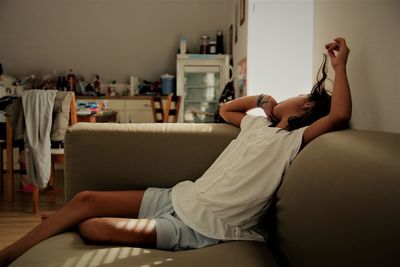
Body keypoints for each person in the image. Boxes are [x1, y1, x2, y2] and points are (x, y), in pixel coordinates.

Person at [0, 37, 351, 265]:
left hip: (203, 227)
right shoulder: (257, 125)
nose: (288, 96)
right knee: (85, 199)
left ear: (303, 110)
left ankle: (64, 224)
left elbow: (339, 114)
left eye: (298, 96)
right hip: (180, 196)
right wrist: (261, 100)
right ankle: (11, 253)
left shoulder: (293, 141)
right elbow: (227, 109)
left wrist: (339, 65)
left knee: (94, 227)